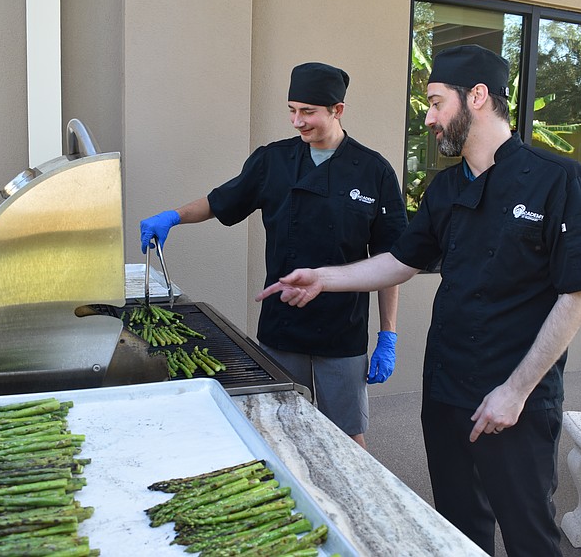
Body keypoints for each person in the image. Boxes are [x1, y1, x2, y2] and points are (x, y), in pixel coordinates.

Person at [256, 45, 581, 556]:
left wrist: (514, 392)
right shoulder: (445, 188)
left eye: (436, 102)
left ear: (479, 98)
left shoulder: (559, 179)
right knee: (455, 527)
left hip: (514, 397)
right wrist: (323, 279)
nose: (428, 118)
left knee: (529, 531)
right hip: (446, 390)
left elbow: (578, 298)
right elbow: (401, 260)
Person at [139, 62, 408, 449]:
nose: (297, 121)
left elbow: (391, 262)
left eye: (308, 112)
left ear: (338, 110)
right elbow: (220, 201)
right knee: (277, 429)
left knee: (346, 437)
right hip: (283, 323)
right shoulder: (273, 161)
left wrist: (388, 333)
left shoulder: (373, 171)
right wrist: (174, 217)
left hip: (342, 329)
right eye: (292, 109)